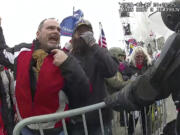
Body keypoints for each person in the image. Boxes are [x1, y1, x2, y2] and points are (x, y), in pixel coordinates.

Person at [0, 17, 90, 135]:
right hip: (25, 128)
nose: (56, 31)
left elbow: (85, 89)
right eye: (50, 28)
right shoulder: (21, 52)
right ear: (38, 34)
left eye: (58, 30)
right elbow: (2, 54)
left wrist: (68, 64)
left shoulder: (66, 58)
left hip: (56, 130)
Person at [68, 19, 118, 135]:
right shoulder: (69, 56)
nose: (83, 35)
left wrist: (93, 44)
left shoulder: (98, 52)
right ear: (74, 35)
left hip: (100, 119)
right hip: (77, 120)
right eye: (80, 32)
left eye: (87, 32)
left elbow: (111, 70)